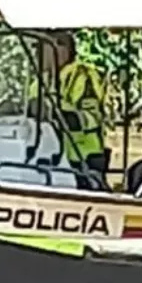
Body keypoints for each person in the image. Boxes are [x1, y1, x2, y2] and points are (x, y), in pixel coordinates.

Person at [38, 30, 110, 185]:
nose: (38, 53)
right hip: (48, 157)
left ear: (62, 50)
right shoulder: (39, 80)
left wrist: (58, 115)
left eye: (43, 47)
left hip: (82, 160)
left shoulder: (81, 76)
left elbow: (93, 117)